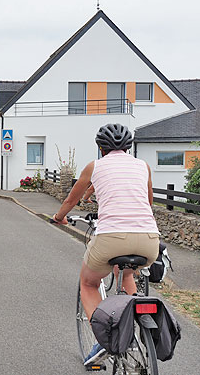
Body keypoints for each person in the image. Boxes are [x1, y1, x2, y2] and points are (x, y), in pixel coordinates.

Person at [52, 123, 159, 366]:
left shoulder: (95, 166)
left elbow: (72, 198)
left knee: (89, 283)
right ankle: (136, 321)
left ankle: (104, 339)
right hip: (149, 238)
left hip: (111, 237)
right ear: (128, 147)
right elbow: (148, 201)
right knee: (127, 273)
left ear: (100, 148)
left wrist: (59, 218)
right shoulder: (143, 166)